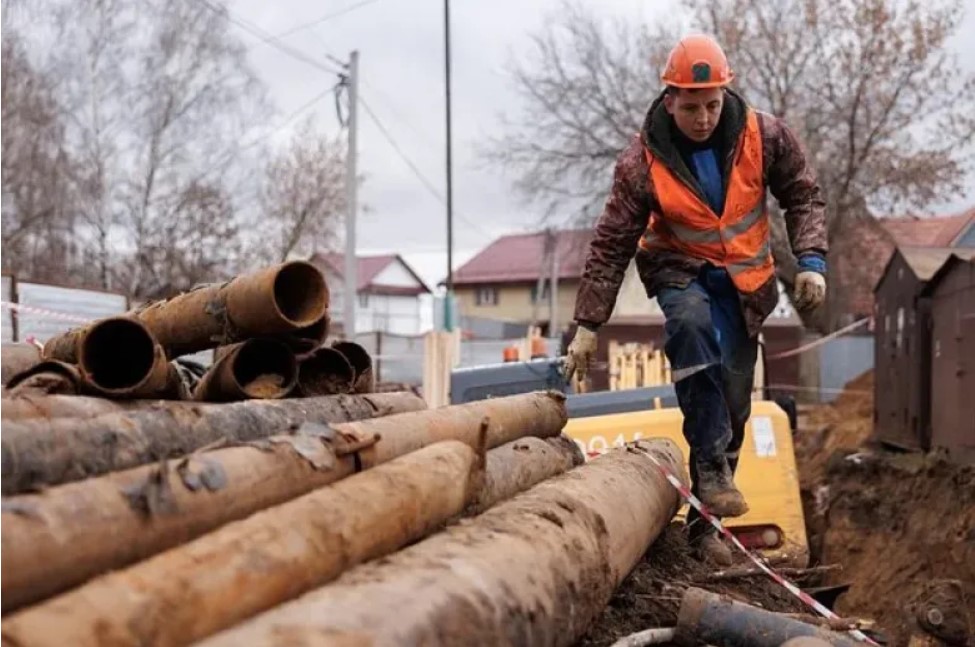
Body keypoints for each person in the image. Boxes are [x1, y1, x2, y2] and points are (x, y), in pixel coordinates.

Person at [563, 34, 827, 565]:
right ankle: (708, 465)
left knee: (735, 402)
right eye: (690, 108)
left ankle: (705, 529)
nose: (703, 118)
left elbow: (802, 193)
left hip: (745, 282)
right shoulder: (641, 162)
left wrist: (812, 261)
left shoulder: (765, 136)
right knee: (689, 325)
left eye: (711, 105)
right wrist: (588, 325)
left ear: (725, 94)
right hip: (678, 268)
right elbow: (612, 243)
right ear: (670, 100)